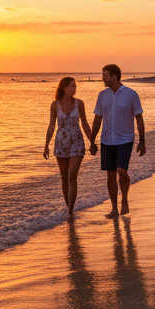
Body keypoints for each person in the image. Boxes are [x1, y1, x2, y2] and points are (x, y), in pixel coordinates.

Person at [89, 64, 145, 218]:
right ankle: (114, 208)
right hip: (107, 140)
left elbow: (139, 118)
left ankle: (124, 199)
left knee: (121, 171)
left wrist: (142, 141)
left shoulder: (131, 94)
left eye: (105, 75)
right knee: (110, 175)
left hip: (125, 139)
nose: (103, 78)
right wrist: (92, 140)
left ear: (114, 76)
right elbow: (97, 119)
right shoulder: (102, 95)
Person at [43, 77, 97, 217]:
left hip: (77, 142)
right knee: (64, 178)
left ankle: (71, 210)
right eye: (72, 86)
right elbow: (51, 126)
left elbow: (84, 123)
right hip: (61, 143)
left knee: (72, 176)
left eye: (75, 86)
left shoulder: (79, 104)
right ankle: (69, 209)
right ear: (64, 88)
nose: (75, 88)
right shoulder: (55, 105)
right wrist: (46, 145)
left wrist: (92, 141)